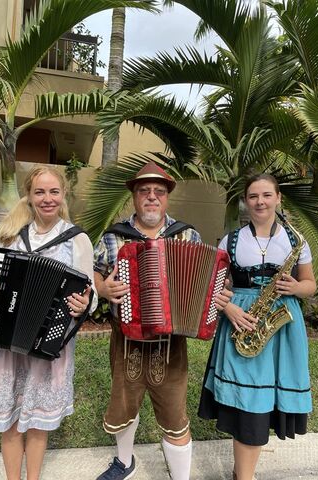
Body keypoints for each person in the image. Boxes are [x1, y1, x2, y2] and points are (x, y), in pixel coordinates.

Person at [93, 161, 232, 480]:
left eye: (158, 191)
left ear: (167, 197)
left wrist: (217, 298)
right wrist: (103, 287)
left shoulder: (186, 235)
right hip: (125, 339)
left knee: (173, 411)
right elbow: (96, 274)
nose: (151, 197)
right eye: (144, 191)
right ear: (134, 197)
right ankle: (124, 462)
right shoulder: (115, 236)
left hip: (171, 344)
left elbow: (210, 282)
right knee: (125, 405)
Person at [0, 165, 97, 480]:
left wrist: (82, 305)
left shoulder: (77, 241)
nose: (47, 198)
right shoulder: (8, 230)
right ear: (30, 195)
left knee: (37, 420)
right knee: (8, 416)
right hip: (2, 342)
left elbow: (90, 295)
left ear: (64, 194)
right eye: (39, 192)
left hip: (47, 344)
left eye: (53, 191)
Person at [198, 173, 316, 480]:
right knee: (249, 405)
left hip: (281, 330)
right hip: (242, 324)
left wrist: (295, 288)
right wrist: (230, 308)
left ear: (278, 199)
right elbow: (212, 287)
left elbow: (311, 286)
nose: (260, 201)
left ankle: (243, 472)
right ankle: (245, 476)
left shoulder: (296, 240)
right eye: (253, 196)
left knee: (263, 405)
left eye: (266, 195)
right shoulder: (232, 240)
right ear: (245, 202)